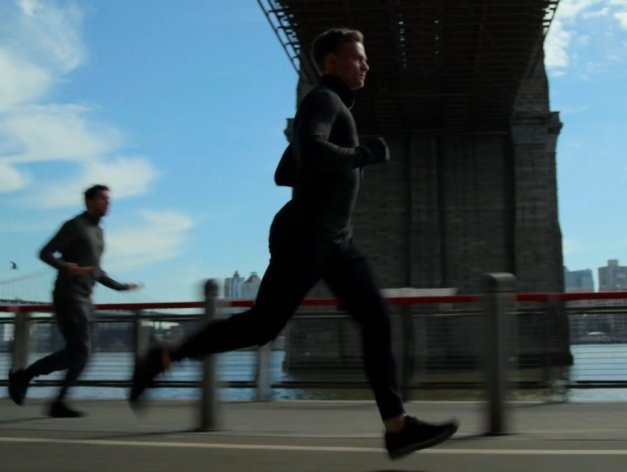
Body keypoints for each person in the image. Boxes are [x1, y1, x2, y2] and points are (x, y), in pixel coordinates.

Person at [129, 28, 458, 459]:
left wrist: (335, 164)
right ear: (333, 63)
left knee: (375, 320)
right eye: (357, 58)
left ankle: (397, 428)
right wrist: (362, 154)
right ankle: (165, 357)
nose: (366, 65)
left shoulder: (333, 107)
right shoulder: (323, 100)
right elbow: (311, 150)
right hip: (305, 237)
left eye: (365, 58)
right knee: (262, 326)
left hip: (337, 241)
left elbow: (286, 172)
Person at [7, 184, 141, 417]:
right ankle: (25, 377)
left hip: (85, 298)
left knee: (82, 353)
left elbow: (96, 270)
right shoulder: (74, 226)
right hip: (68, 296)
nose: (107, 203)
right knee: (81, 350)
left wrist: (120, 287)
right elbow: (45, 252)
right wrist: (64, 266)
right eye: (102, 199)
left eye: (109, 199)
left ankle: (54, 399)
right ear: (88, 201)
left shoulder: (98, 232)